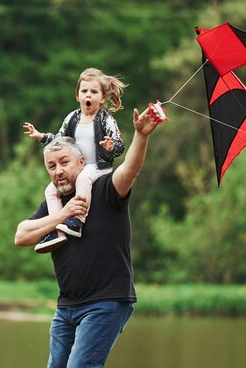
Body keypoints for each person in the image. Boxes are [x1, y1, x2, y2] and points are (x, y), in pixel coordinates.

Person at [14, 105, 161, 368]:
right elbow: (21, 235)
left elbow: (130, 170)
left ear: (82, 163)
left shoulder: (104, 188)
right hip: (66, 308)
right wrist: (61, 216)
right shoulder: (55, 204)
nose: (58, 171)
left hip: (105, 302)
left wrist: (141, 135)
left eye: (64, 163)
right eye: (51, 166)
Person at [23, 68, 126, 253]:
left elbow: (119, 143)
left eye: (94, 92)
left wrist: (111, 147)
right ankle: (57, 230)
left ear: (102, 98)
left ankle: (78, 220)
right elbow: (59, 141)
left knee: (83, 179)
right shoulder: (71, 118)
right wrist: (41, 136)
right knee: (50, 190)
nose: (89, 95)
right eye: (84, 91)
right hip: (80, 167)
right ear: (77, 95)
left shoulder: (105, 119)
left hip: (99, 166)